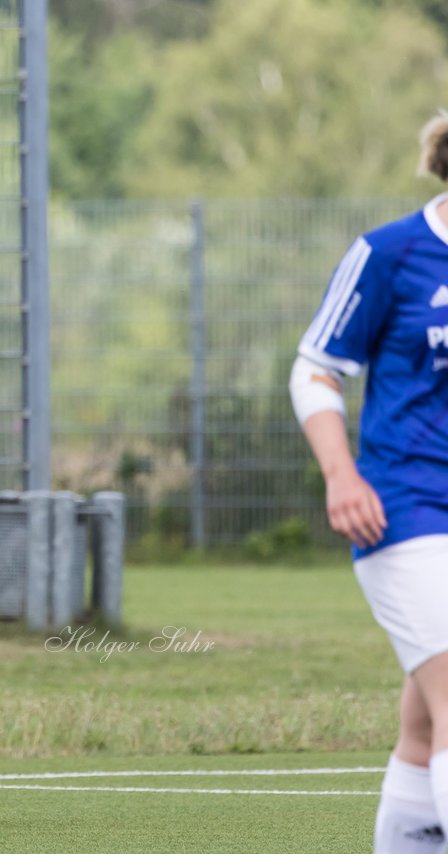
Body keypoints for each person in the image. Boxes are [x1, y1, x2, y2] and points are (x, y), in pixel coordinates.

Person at [291, 114, 448, 854]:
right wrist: (340, 472)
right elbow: (316, 369)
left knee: (424, 725)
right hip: (404, 508)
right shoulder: (390, 253)